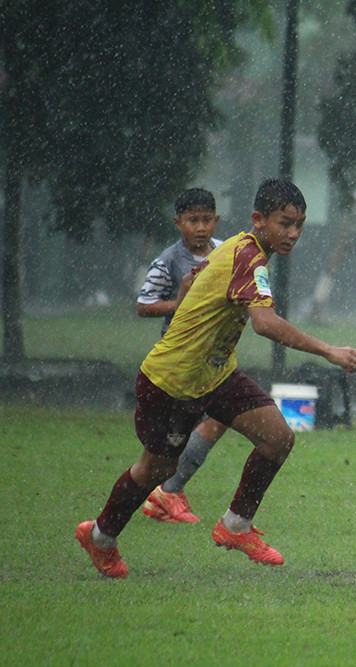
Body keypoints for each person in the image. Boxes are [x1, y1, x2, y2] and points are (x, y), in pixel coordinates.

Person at [75, 178, 356, 579]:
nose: (293, 233)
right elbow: (264, 323)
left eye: (299, 225)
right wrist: (329, 350)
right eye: (285, 223)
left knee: (278, 438)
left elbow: (197, 280)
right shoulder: (248, 257)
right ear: (258, 220)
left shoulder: (237, 247)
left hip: (216, 374)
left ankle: (235, 526)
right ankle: (100, 536)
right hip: (172, 381)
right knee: (155, 470)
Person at [136, 187, 226, 523]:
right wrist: (179, 302)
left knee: (210, 421)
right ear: (178, 223)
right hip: (181, 358)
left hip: (213, 358)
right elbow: (144, 305)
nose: (200, 227)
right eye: (192, 220)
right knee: (182, 432)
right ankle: (165, 493)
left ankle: (166, 493)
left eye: (206, 220)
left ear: (216, 220)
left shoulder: (224, 253)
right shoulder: (169, 261)